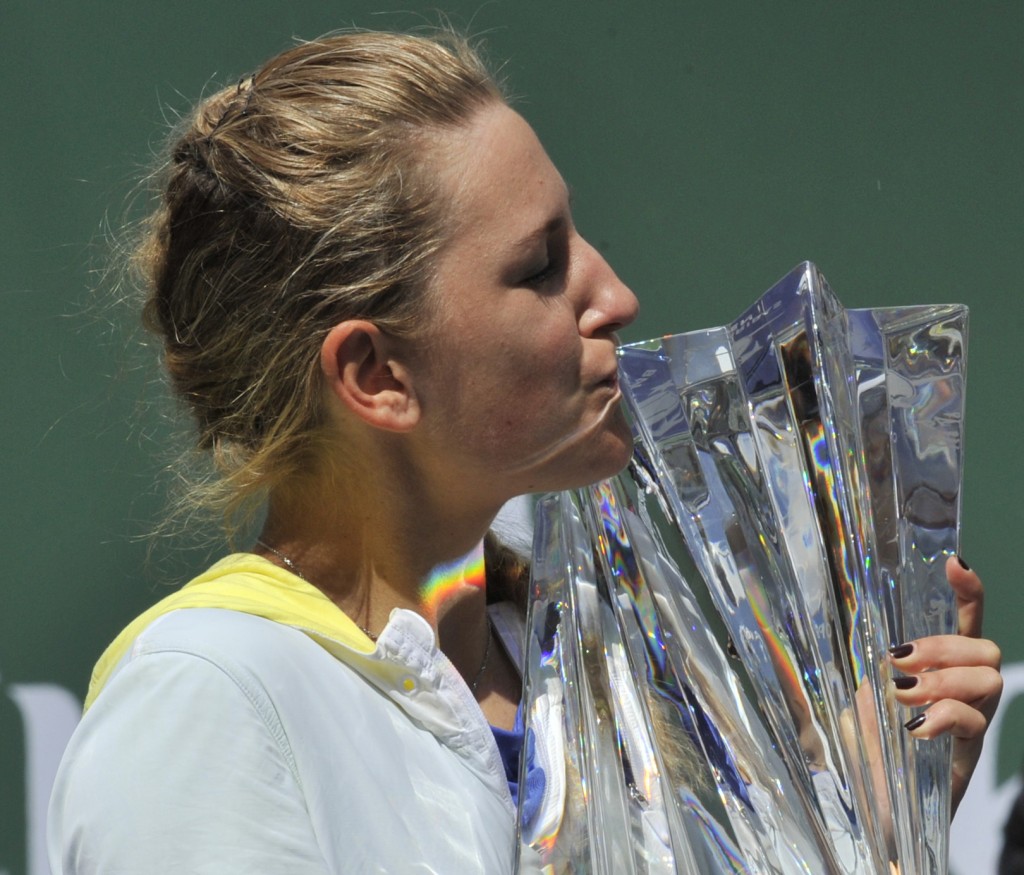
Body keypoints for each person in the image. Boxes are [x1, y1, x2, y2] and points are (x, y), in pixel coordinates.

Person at [47, 29, 1002, 874]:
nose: (616, 294)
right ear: (376, 373)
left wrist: (869, 826)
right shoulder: (210, 698)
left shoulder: (624, 650)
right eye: (539, 266)